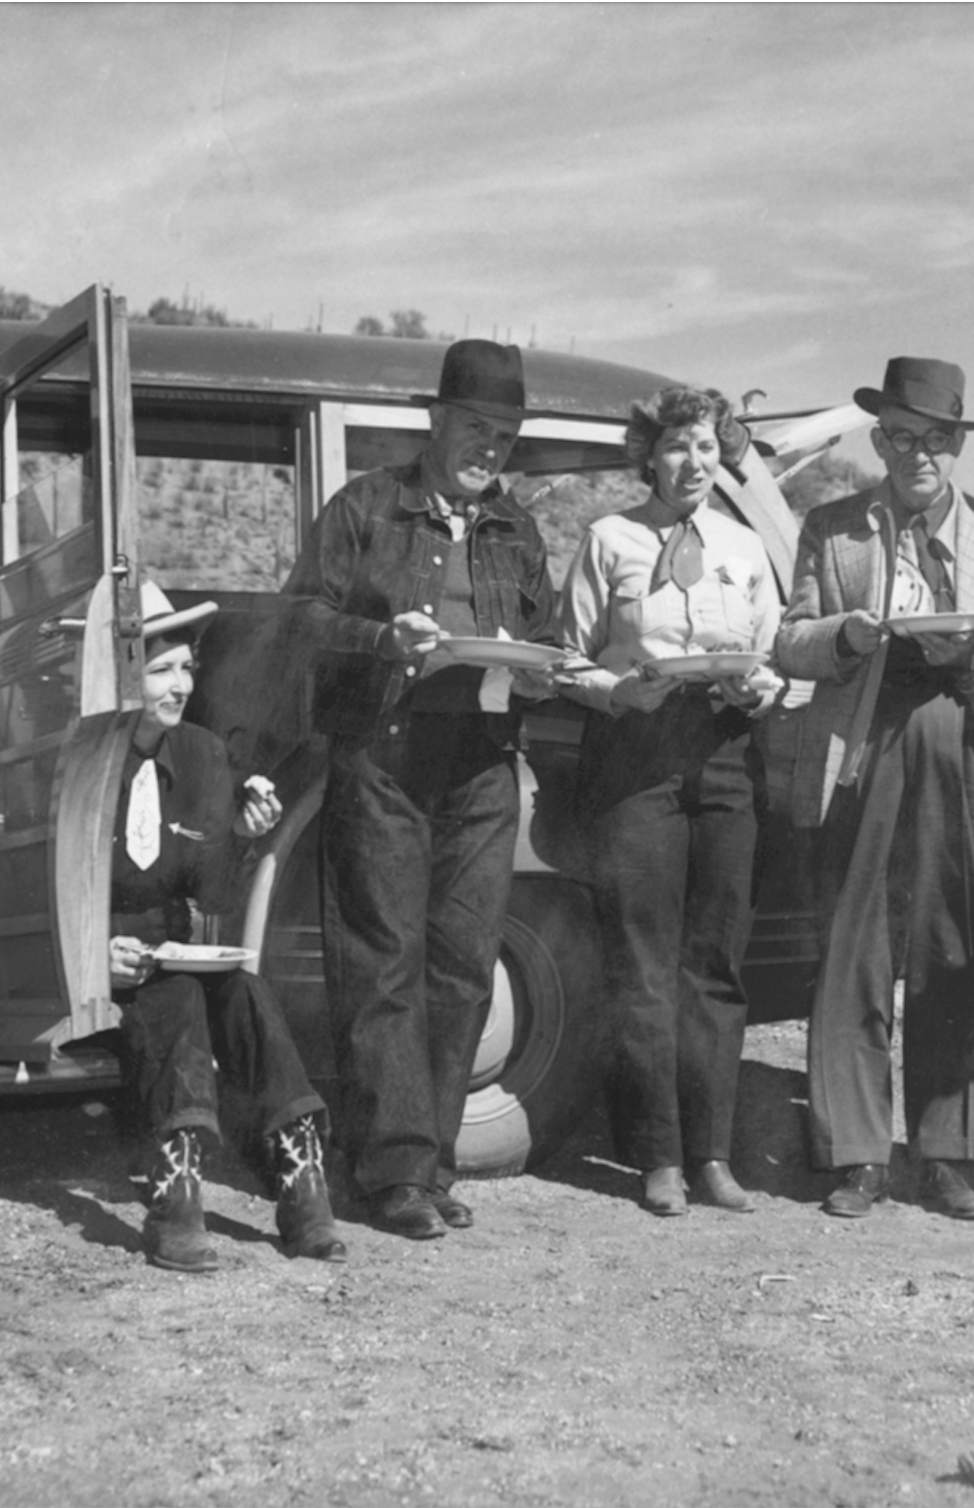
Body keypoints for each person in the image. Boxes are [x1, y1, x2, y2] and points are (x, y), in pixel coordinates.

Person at [282, 339, 560, 1240]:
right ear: (435, 421)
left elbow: (545, 637)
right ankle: (392, 1170)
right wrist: (380, 641)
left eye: (508, 433)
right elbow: (302, 620)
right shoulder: (366, 507)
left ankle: (432, 1162)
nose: (493, 447)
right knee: (382, 963)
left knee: (464, 964)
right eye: (477, 426)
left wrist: (548, 672)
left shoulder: (517, 530)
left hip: (483, 762)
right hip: (384, 752)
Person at [774, 357, 974, 1221]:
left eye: (936, 439)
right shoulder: (834, 527)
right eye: (901, 436)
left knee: (951, 941)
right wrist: (846, 635)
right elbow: (790, 641)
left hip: (960, 738)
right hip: (861, 739)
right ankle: (855, 1154)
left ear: (957, 444)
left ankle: (949, 1152)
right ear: (880, 440)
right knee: (854, 946)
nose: (918, 453)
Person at [554, 385, 785, 1217]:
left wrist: (763, 689)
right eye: (679, 447)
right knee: (642, 966)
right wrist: (618, 693)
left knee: (714, 966)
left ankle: (712, 1155)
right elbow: (565, 658)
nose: (694, 464)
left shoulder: (744, 544)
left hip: (724, 753)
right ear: (649, 453)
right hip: (635, 757)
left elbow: (769, 654)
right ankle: (654, 1156)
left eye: (709, 450)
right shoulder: (609, 538)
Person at [106, 585, 344, 1272]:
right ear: (121, 673)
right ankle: (175, 1204)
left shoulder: (204, 755)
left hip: (175, 940)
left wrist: (238, 836)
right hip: (109, 949)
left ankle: (303, 1191)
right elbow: (44, 883)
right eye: (161, 670)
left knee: (247, 996)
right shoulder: (85, 760)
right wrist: (97, 953)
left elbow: (209, 890)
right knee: (174, 1000)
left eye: (186, 668)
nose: (181, 685)